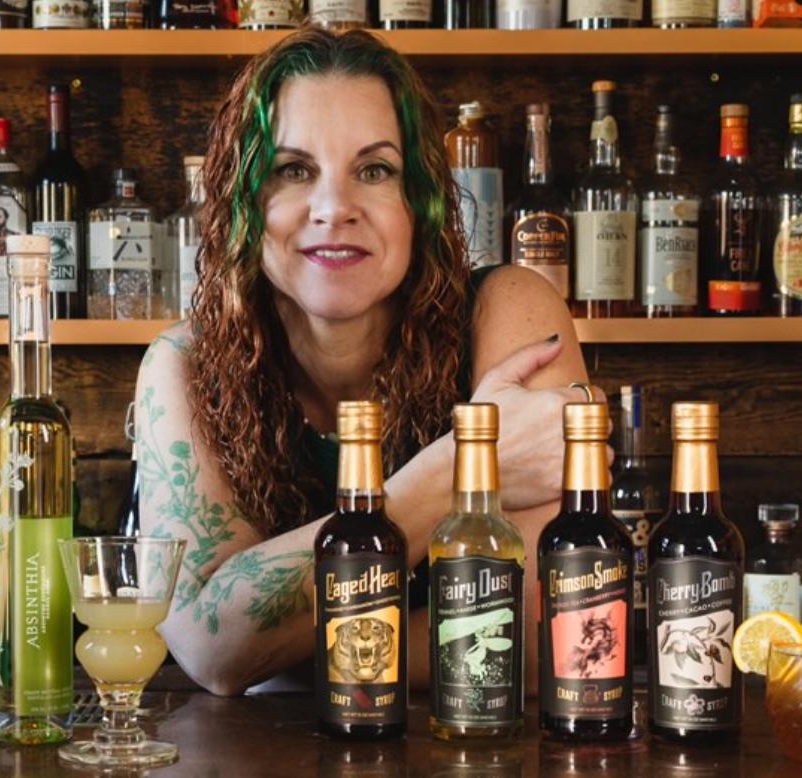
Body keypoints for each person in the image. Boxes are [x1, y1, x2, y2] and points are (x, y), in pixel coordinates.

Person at [134, 27, 600, 697]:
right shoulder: (185, 365)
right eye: (294, 170)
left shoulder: (509, 309)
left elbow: (546, 626)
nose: (335, 208)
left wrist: (284, 654)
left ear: (419, 201)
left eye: (375, 170)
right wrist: (462, 466)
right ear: (245, 201)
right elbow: (208, 648)